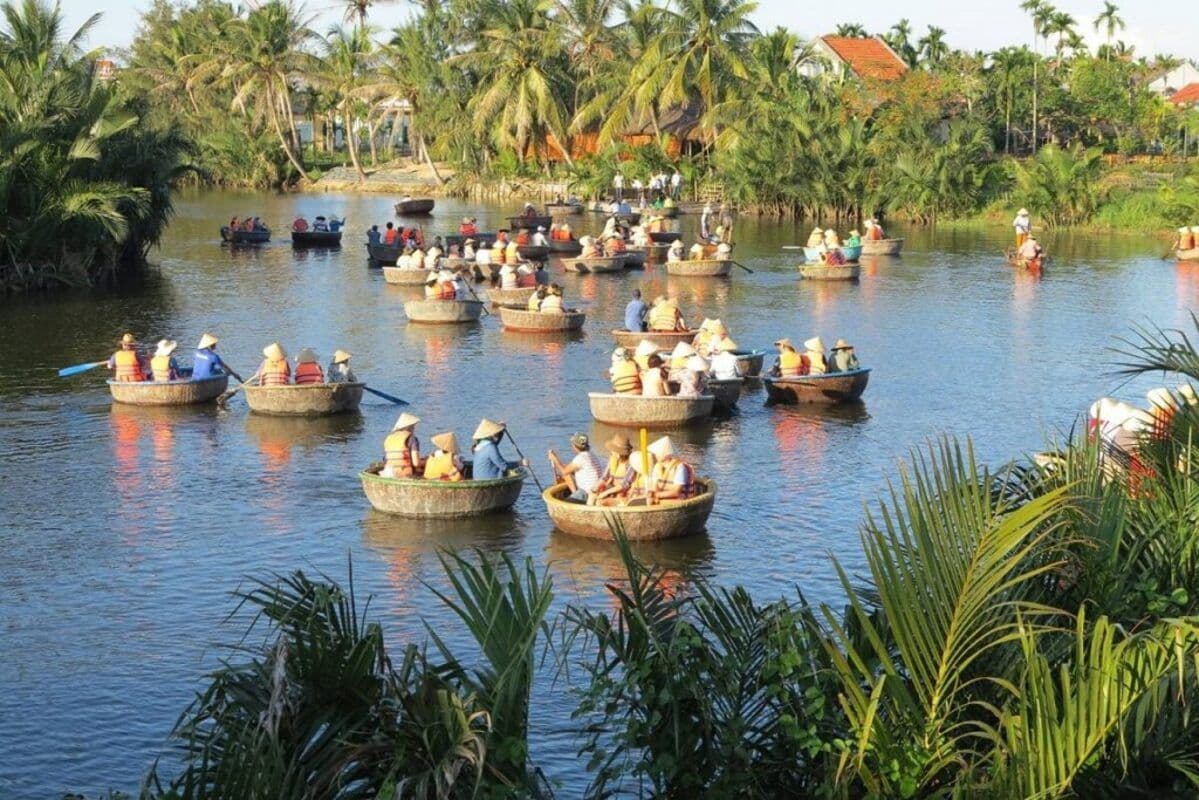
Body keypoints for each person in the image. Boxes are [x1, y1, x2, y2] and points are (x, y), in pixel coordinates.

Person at [548, 433, 602, 501]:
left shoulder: (581, 458)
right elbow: (567, 471)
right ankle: (575, 494)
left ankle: (575, 499)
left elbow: (564, 471)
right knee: (567, 473)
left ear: (574, 446)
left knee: (565, 504)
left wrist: (554, 458)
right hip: (596, 490)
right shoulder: (591, 455)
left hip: (587, 492)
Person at [590, 434, 637, 506]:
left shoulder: (631, 463)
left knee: (600, 502)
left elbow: (624, 485)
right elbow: (604, 477)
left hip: (623, 493)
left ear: (619, 453)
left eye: (613, 450)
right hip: (612, 488)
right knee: (592, 495)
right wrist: (595, 488)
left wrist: (606, 493)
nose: (611, 452)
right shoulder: (613, 459)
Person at [647, 436, 696, 504]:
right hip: (660, 500)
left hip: (678, 502)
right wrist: (652, 496)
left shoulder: (680, 467)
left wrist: (656, 495)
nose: (655, 455)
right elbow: (655, 486)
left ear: (665, 454)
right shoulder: (657, 466)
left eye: (657, 453)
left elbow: (676, 492)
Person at [381, 412, 423, 478]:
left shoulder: (388, 438)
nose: (414, 428)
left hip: (388, 473)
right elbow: (416, 463)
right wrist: (427, 461)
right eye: (413, 426)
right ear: (410, 427)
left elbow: (386, 459)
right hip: (405, 474)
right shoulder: (412, 439)